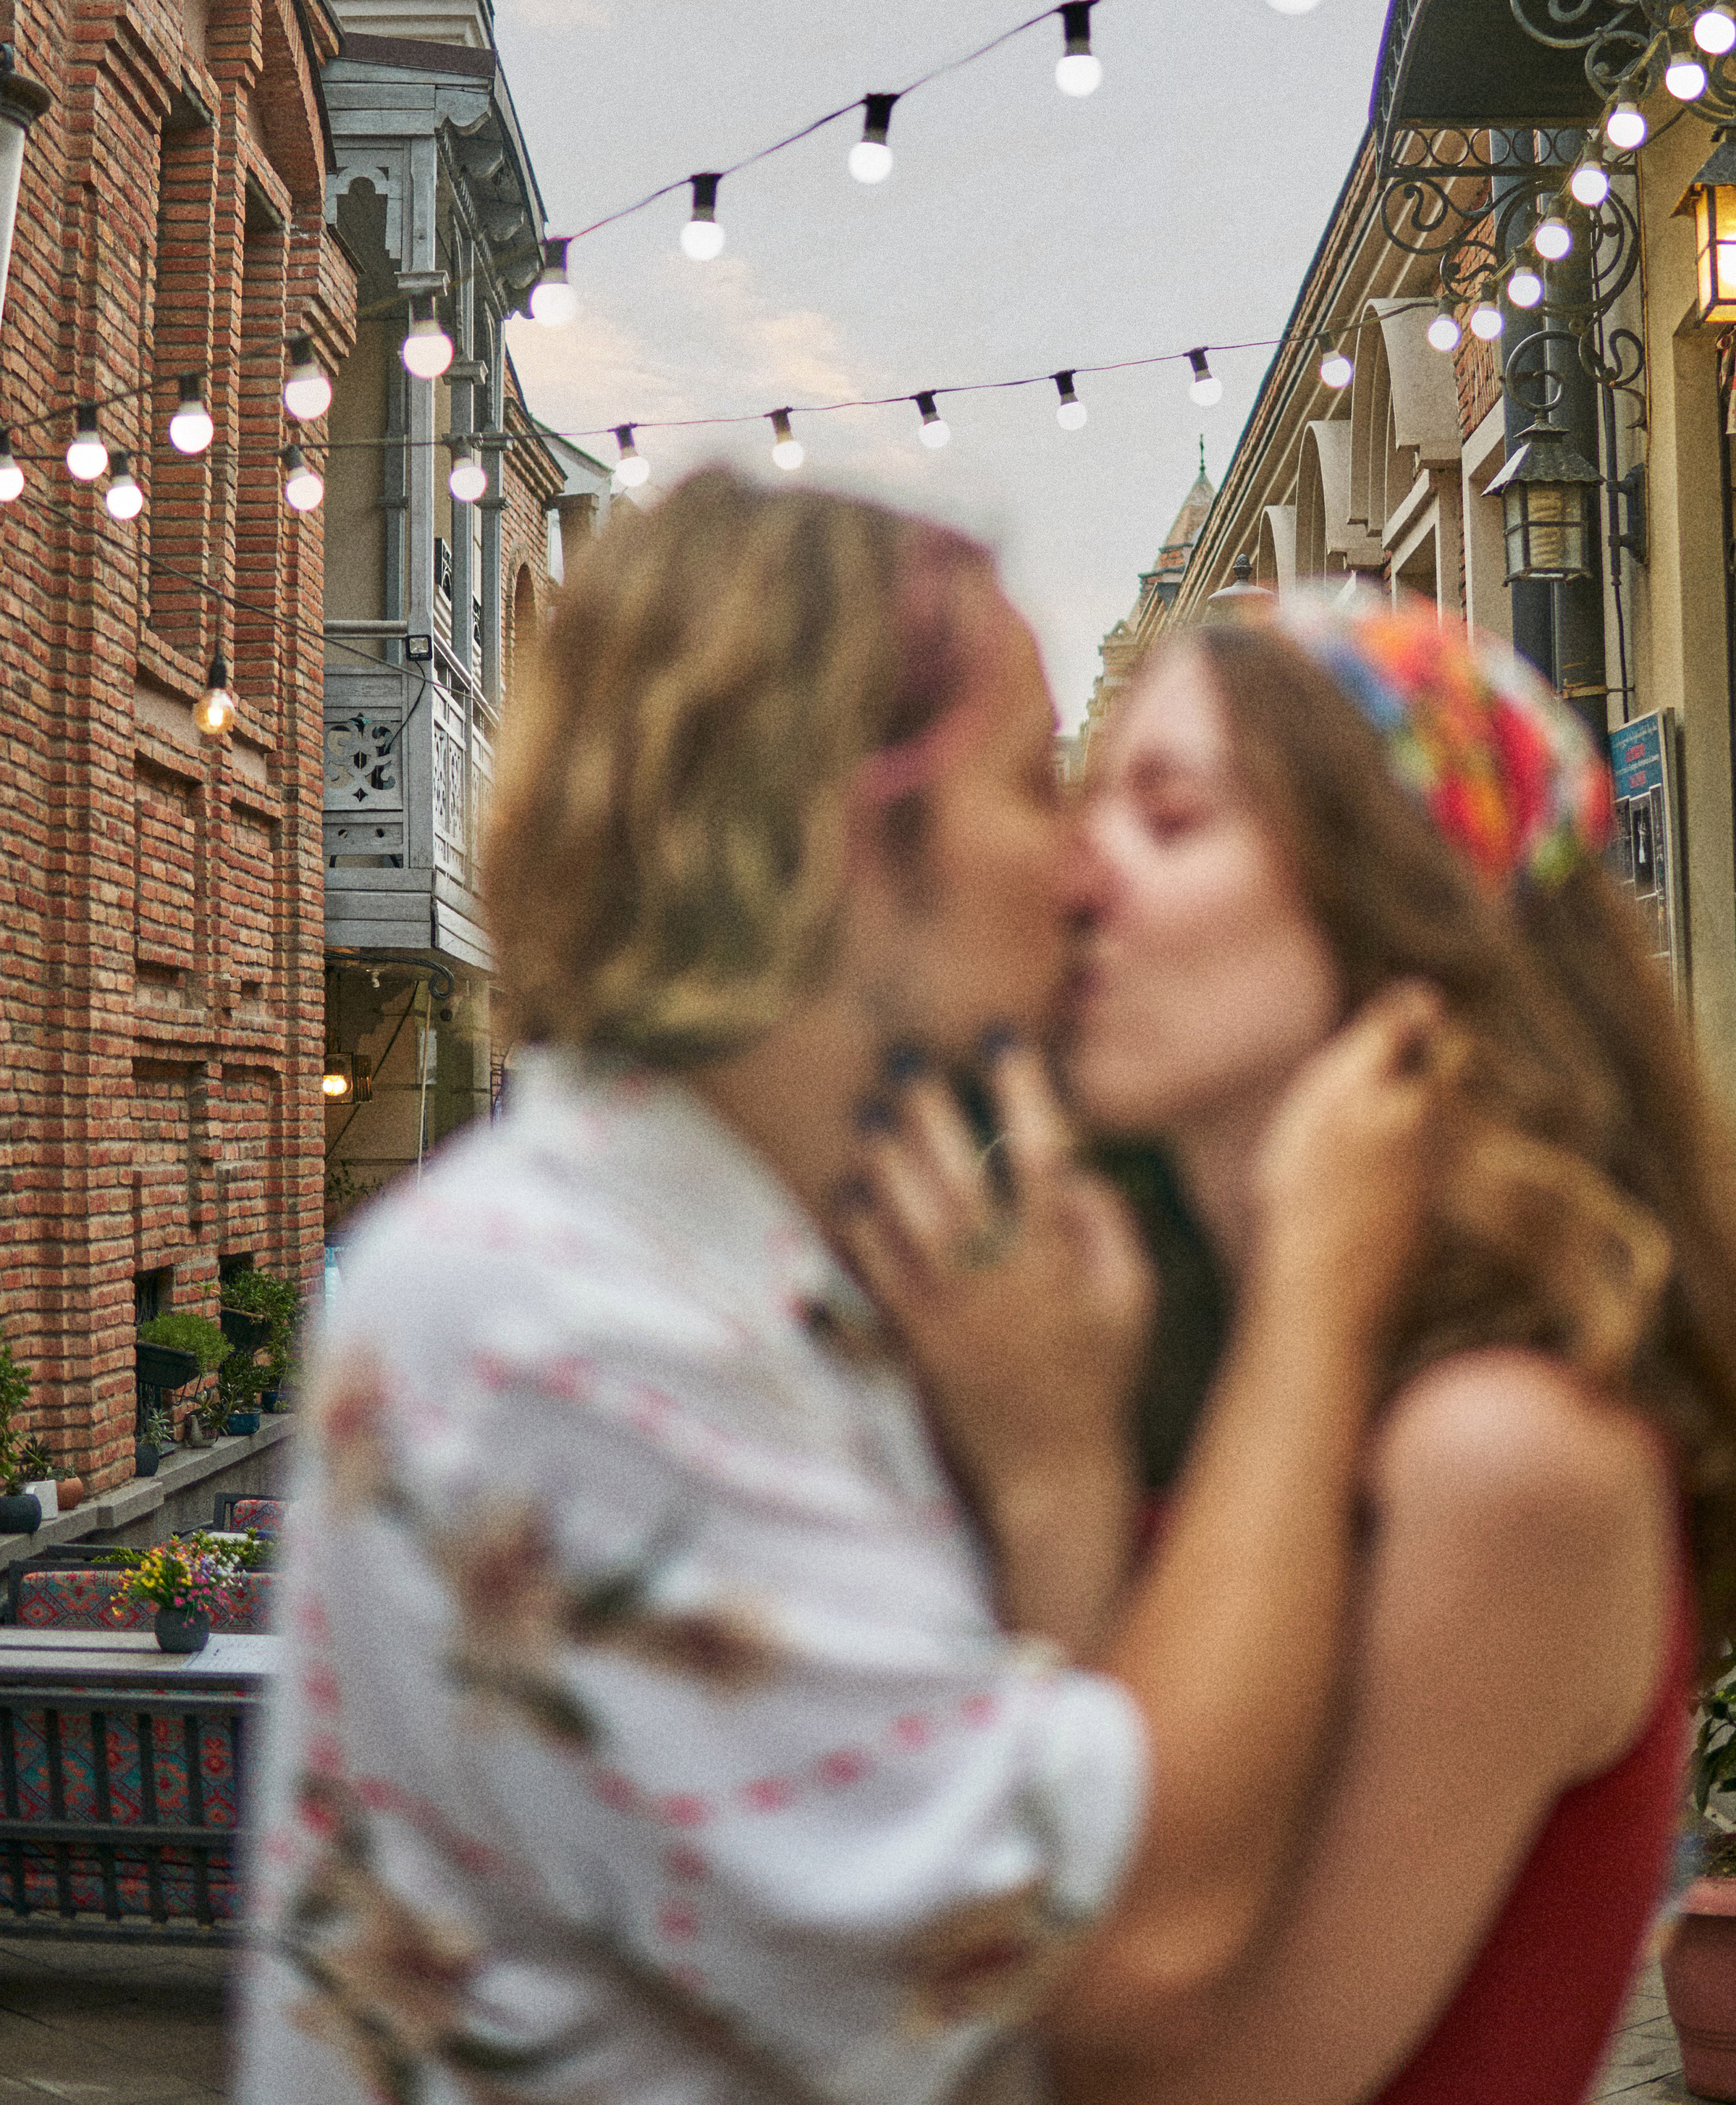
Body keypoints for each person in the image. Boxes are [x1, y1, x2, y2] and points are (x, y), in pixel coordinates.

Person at [236, 476, 1452, 2105]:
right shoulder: (553, 1319)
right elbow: (1124, 1951)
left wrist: (1059, 1472)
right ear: (838, 836)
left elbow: (1002, 1876)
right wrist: (1318, 1296)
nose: (1084, 871)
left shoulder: (768, 1263)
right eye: (1036, 786)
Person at [848, 600, 1736, 2105]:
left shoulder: (1503, 1447)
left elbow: (1147, 2065)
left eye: (1169, 819)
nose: (1082, 873)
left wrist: (1052, 1482)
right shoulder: (1206, 1357)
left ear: (1392, 905)